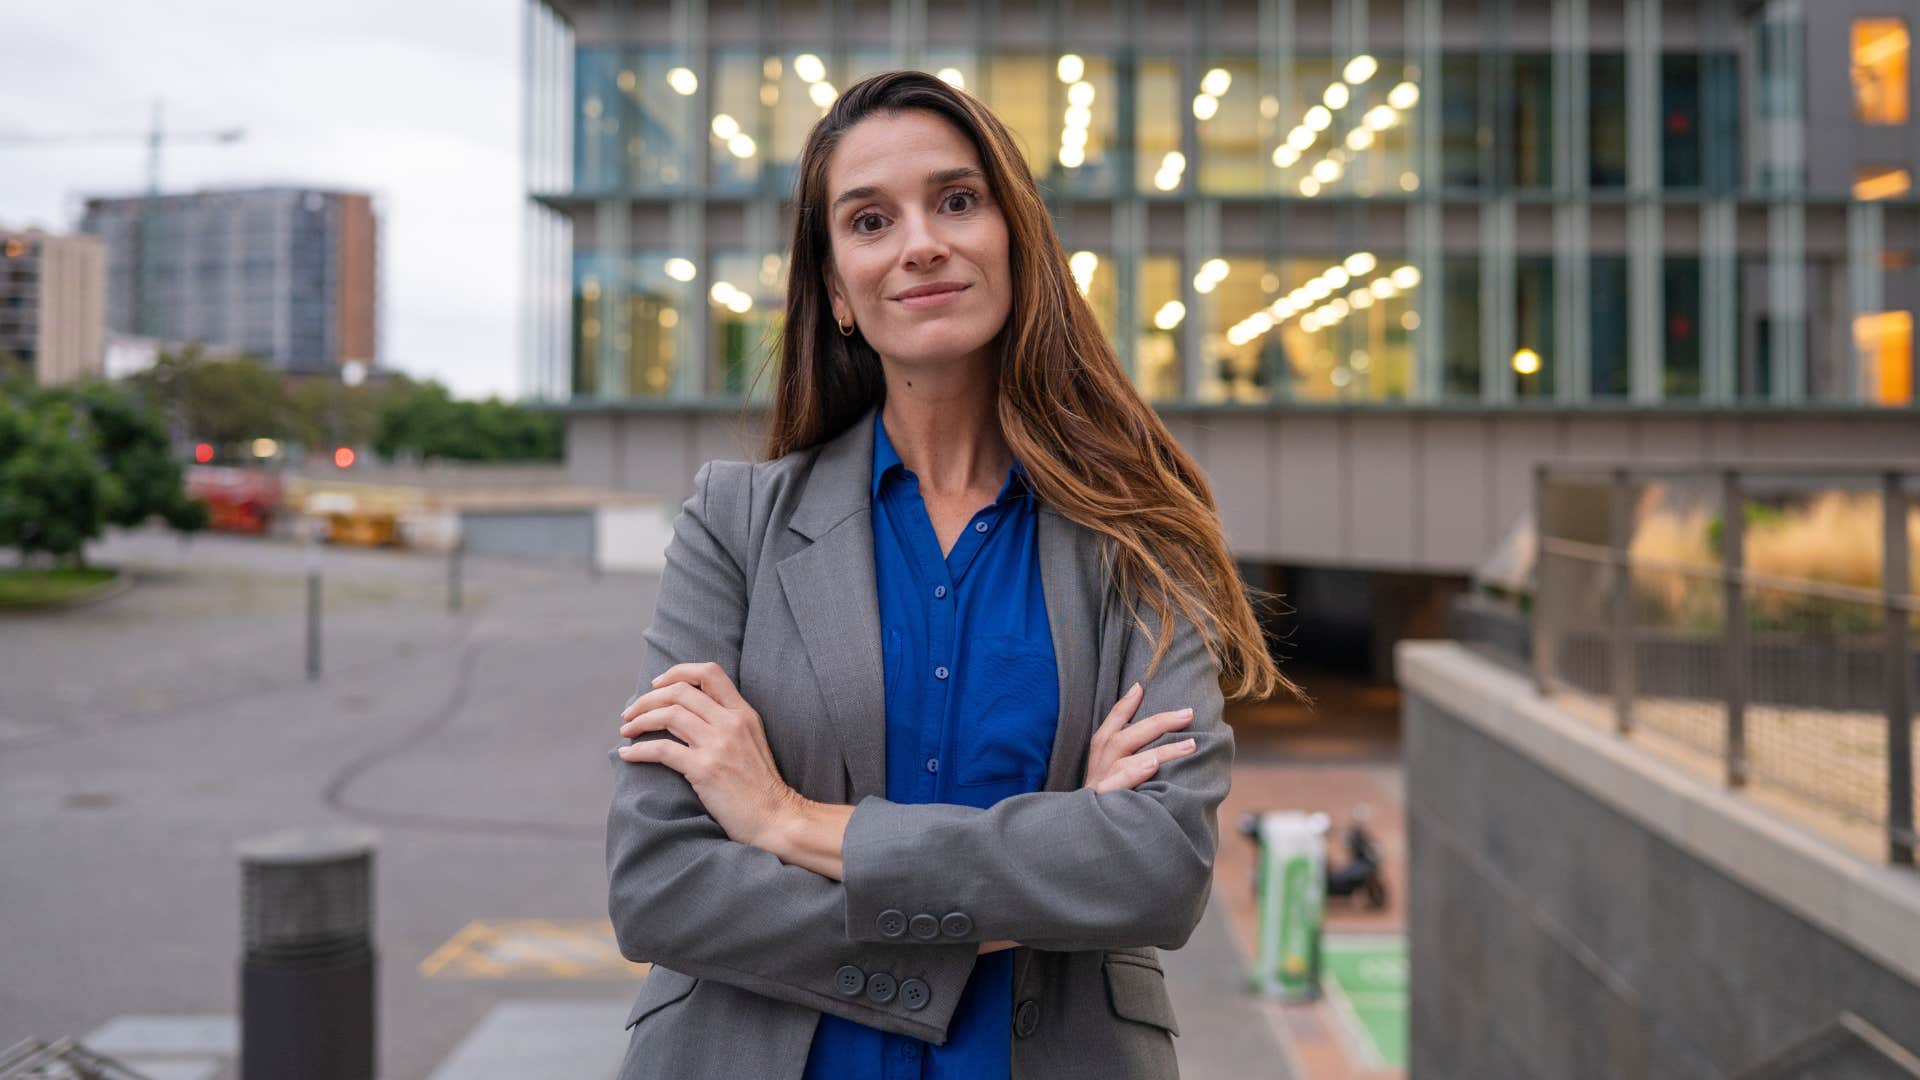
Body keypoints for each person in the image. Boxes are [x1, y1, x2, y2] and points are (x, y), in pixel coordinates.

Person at [605, 69, 1304, 1080]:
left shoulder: (1144, 535)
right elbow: (660, 883)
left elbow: (1156, 870)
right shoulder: (735, 525)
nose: (921, 242)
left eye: (957, 201)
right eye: (870, 220)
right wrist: (1040, 873)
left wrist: (787, 822)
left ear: (1013, 239)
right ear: (838, 291)